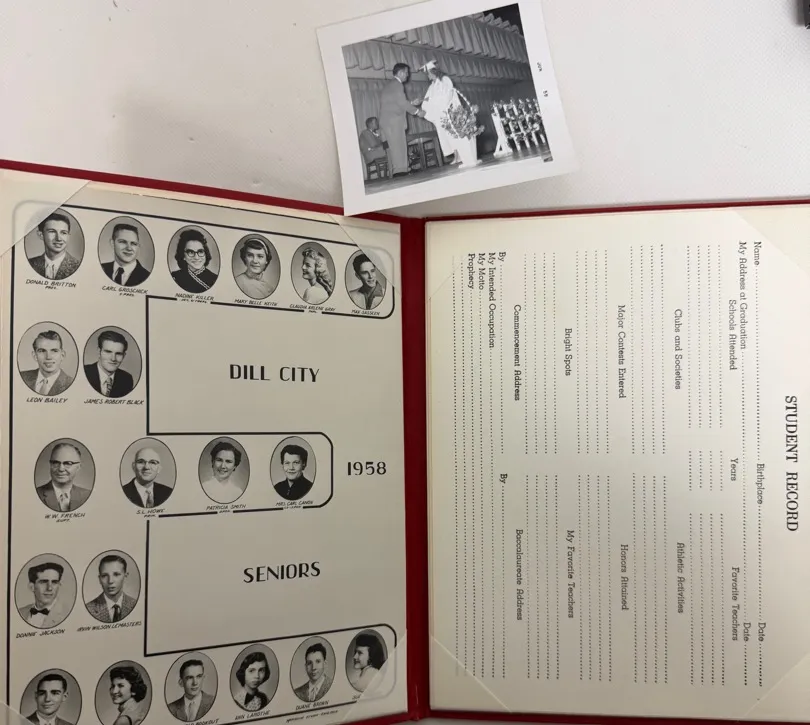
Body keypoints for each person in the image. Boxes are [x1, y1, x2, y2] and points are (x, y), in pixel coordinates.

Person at [378, 63, 426, 177]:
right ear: (400, 73)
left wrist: (411, 102)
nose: (407, 75)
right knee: (399, 145)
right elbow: (401, 103)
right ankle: (401, 171)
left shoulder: (389, 85)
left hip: (387, 120)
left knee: (396, 146)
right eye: (406, 72)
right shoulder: (398, 85)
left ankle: (402, 169)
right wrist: (417, 111)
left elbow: (395, 102)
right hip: (394, 120)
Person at [420, 60, 463, 164]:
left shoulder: (445, 79)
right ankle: (456, 156)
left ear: (433, 71)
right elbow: (428, 99)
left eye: (428, 73)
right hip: (440, 114)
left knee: (453, 134)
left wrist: (437, 103)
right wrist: (422, 101)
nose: (428, 76)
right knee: (446, 136)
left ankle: (460, 155)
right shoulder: (431, 86)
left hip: (449, 111)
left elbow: (448, 94)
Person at [36, 441, 92, 512]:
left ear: (78, 467)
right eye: (55, 463)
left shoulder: (88, 495)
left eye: (68, 463)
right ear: (50, 464)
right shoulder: (35, 494)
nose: (61, 469)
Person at [17, 561, 72, 629]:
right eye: (43, 582)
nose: (49, 588)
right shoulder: (21, 612)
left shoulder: (67, 614)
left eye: (54, 582)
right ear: (31, 587)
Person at [85, 554, 137, 623]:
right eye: (104, 576)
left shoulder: (135, 604)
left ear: (125, 576)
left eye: (116, 574)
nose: (110, 581)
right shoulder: (89, 609)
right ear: (100, 579)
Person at [28, 213, 81, 280]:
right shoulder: (30, 264)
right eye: (52, 232)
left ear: (68, 236)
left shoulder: (78, 267)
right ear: (41, 235)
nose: (58, 238)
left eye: (63, 233)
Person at [20, 329, 74, 396]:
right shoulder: (21, 377)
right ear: (35, 356)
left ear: (62, 355)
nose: (48, 357)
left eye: (54, 351)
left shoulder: (71, 383)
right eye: (42, 351)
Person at [84, 330, 135, 398]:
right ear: (99, 352)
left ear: (124, 356)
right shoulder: (84, 372)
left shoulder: (127, 379)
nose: (113, 358)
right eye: (108, 352)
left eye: (118, 354)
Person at [172, 229, 218, 293]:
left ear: (205, 254)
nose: (196, 257)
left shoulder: (214, 279)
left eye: (200, 251)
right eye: (190, 252)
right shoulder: (175, 277)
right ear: (183, 255)